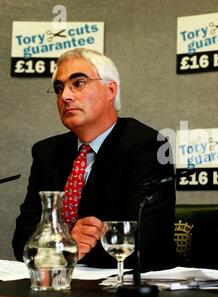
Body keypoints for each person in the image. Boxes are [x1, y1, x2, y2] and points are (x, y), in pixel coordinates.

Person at [12, 48, 176, 271]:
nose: (65, 96)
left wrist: (60, 249)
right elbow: (22, 238)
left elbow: (145, 241)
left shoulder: (147, 146)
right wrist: (66, 241)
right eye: (59, 88)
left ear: (110, 90)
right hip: (59, 284)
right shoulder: (46, 153)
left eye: (78, 83)